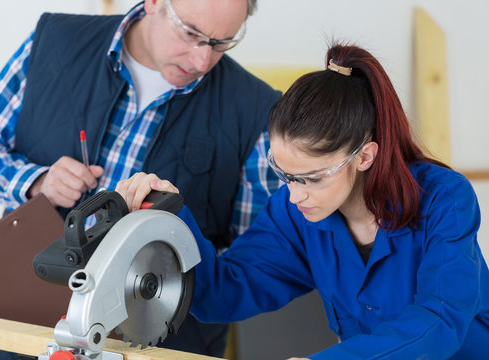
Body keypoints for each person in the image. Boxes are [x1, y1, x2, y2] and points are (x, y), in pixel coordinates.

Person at [0, 0, 281, 359]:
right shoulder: (54, 42)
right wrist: (36, 181)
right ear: (155, 3)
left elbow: (251, 258)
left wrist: (167, 253)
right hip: (21, 333)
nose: (201, 61)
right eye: (190, 34)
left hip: (153, 346)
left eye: (221, 43)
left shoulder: (257, 110)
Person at [116, 43, 489, 359]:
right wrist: (172, 219)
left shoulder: (444, 199)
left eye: (311, 178)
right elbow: (223, 293)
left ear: (364, 157)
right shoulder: (295, 211)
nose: (294, 195)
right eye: (284, 174)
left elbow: (440, 319)